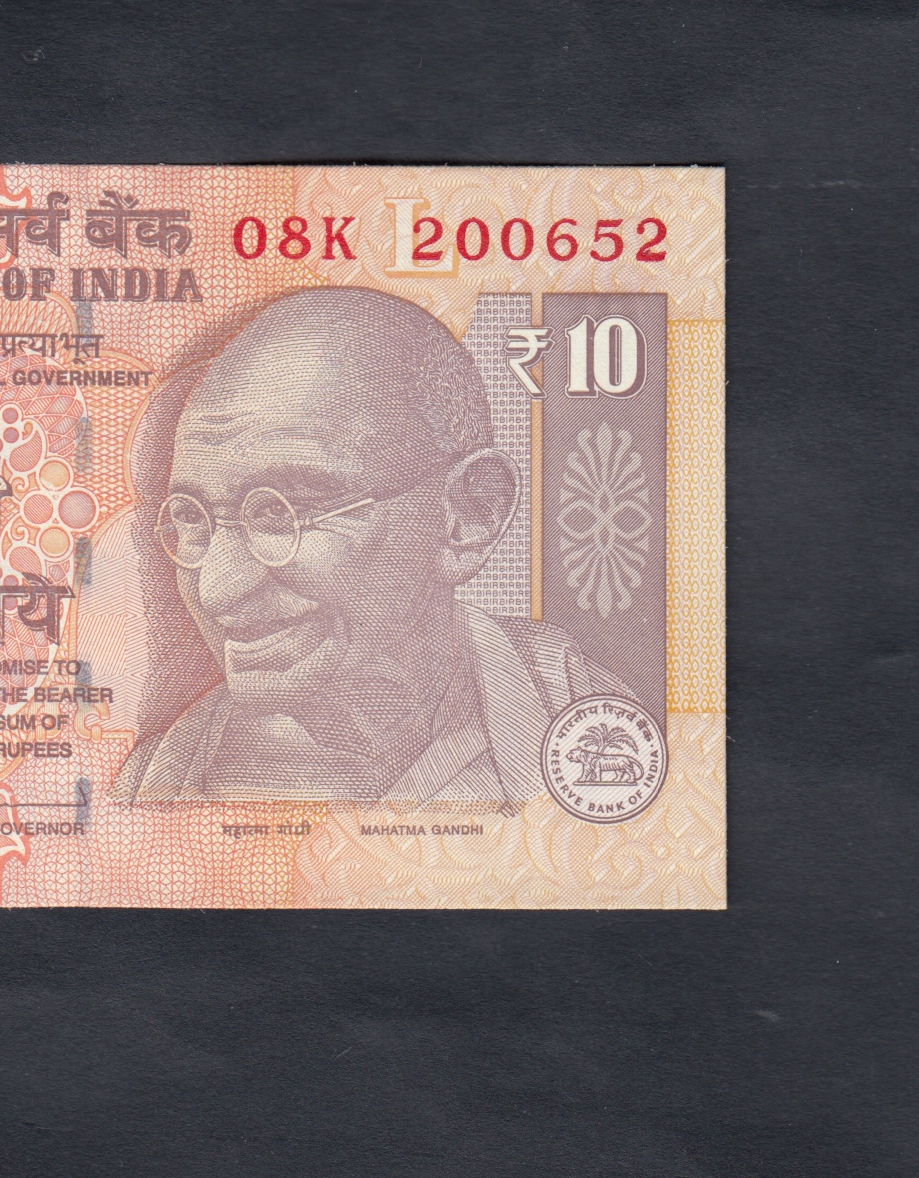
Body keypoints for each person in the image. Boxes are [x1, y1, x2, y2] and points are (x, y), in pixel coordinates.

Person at [114, 287, 626, 803]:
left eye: (285, 513)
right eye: (192, 519)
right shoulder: (153, 782)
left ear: (469, 517)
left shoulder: (593, 731)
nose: (218, 590)